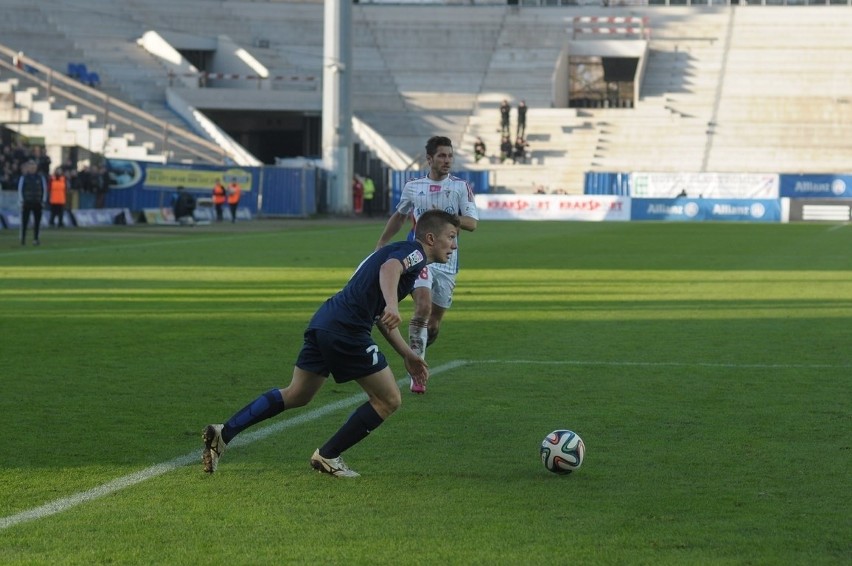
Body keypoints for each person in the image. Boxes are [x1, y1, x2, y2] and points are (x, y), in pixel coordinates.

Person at [201, 209, 461, 477]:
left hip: (326, 319)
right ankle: (328, 456)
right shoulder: (414, 253)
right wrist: (394, 305)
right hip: (347, 330)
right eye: (451, 237)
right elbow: (389, 269)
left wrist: (407, 354)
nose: (454, 245)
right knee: (389, 399)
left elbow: (381, 317)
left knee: (298, 393)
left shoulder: (402, 252)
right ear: (430, 238)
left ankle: (224, 433)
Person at [375, 136, 479, 394]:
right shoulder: (413, 187)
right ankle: (416, 373)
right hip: (419, 256)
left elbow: (472, 223)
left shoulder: (460, 187)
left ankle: (419, 347)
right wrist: (381, 244)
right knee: (422, 307)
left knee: (432, 324)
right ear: (430, 159)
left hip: (447, 261)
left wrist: (446, 219)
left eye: (450, 156)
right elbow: (400, 216)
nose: (447, 161)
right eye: (442, 156)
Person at [17, 160, 47, 246]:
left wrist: (43, 201)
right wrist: (21, 201)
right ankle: (23, 239)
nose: (32, 168)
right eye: (30, 166)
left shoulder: (40, 177)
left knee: (37, 222)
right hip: (27, 202)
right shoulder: (24, 177)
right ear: (28, 168)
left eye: (33, 166)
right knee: (24, 222)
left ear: (36, 167)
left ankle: (36, 239)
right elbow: (20, 189)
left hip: (38, 202)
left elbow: (44, 189)